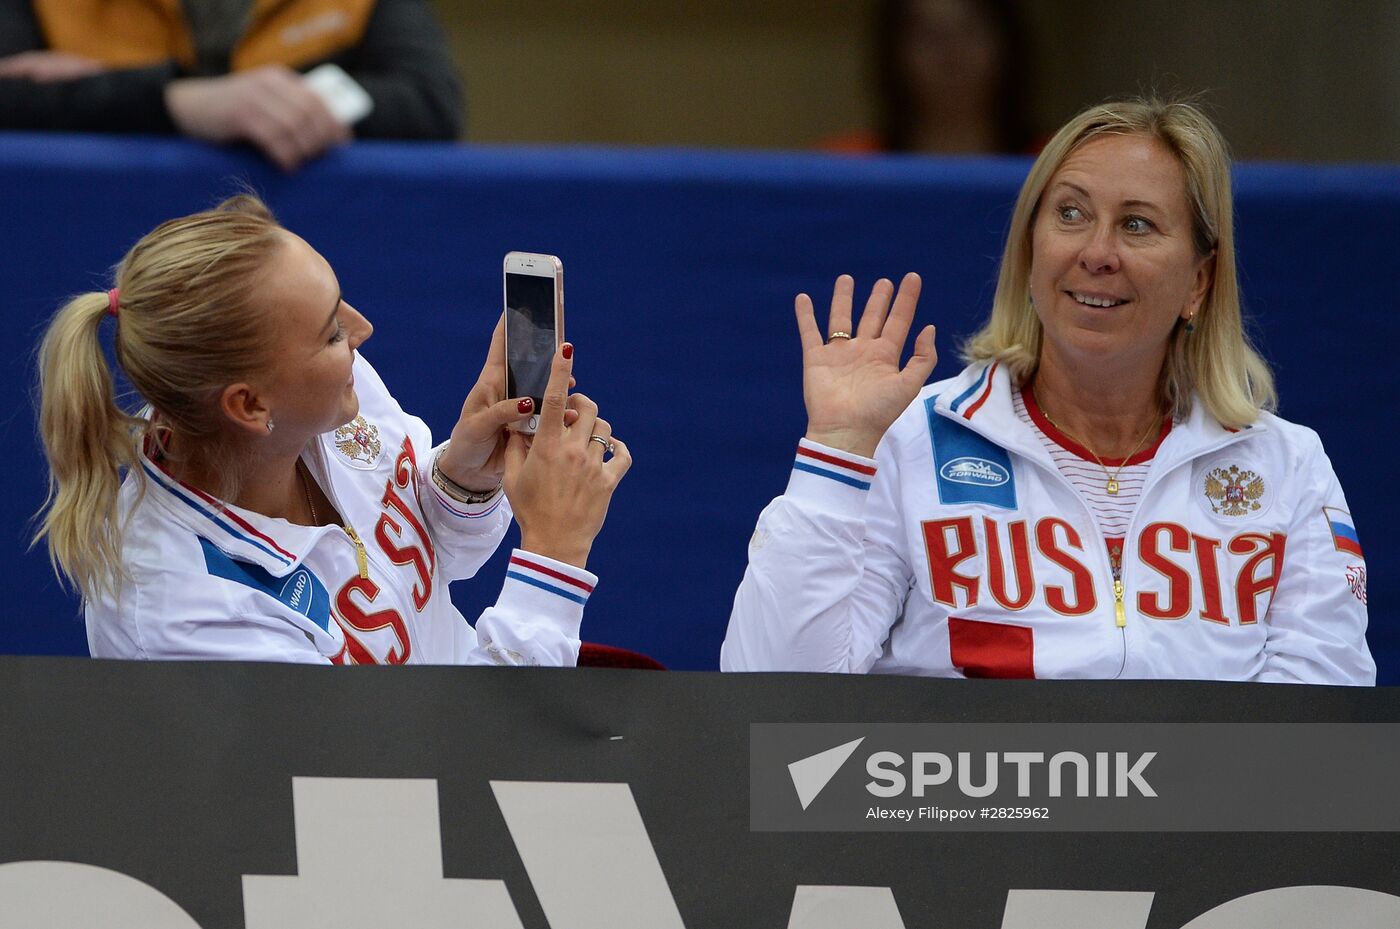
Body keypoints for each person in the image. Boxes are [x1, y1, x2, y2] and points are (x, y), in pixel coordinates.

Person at [724, 97, 1374, 684]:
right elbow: (772, 689)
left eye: (1137, 224)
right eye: (1071, 213)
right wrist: (836, 450)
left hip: (1204, 787)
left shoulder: (1287, 466)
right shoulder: (910, 438)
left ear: (1198, 282)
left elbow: (1317, 727)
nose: (1098, 251)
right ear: (1030, 252)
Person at [34, 195, 630, 664]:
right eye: (331, 332)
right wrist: (553, 556)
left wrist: (462, 482)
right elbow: (443, 763)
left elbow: (430, 565)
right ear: (248, 405)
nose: (361, 329)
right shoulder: (187, 611)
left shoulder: (321, 398)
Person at [0, 0, 461, 170]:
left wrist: (268, 103)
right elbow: (13, 97)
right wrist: (175, 100)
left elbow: (429, 103)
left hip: (291, 231)